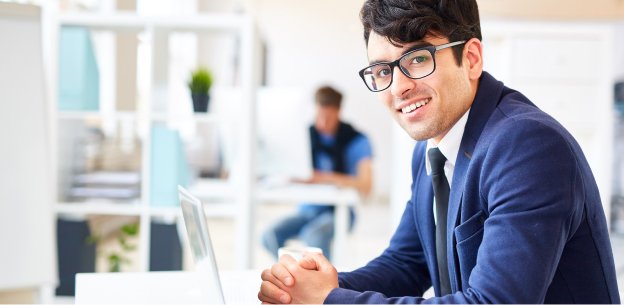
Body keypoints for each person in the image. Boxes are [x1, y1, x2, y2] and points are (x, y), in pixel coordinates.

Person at [257, 0, 621, 303]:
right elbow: (405, 263)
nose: (399, 87)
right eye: (382, 70)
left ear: (472, 58)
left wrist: (329, 300)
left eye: (418, 59)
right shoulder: (432, 148)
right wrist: (310, 288)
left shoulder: (527, 145)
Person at [261, 85, 373, 261]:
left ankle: (323, 284)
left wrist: (323, 178)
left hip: (339, 212)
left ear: (338, 112)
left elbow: (366, 185)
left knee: (313, 235)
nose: (322, 124)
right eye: (319, 117)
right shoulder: (305, 136)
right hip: (308, 209)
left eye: (328, 118)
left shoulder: (356, 140)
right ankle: (293, 276)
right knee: (270, 236)